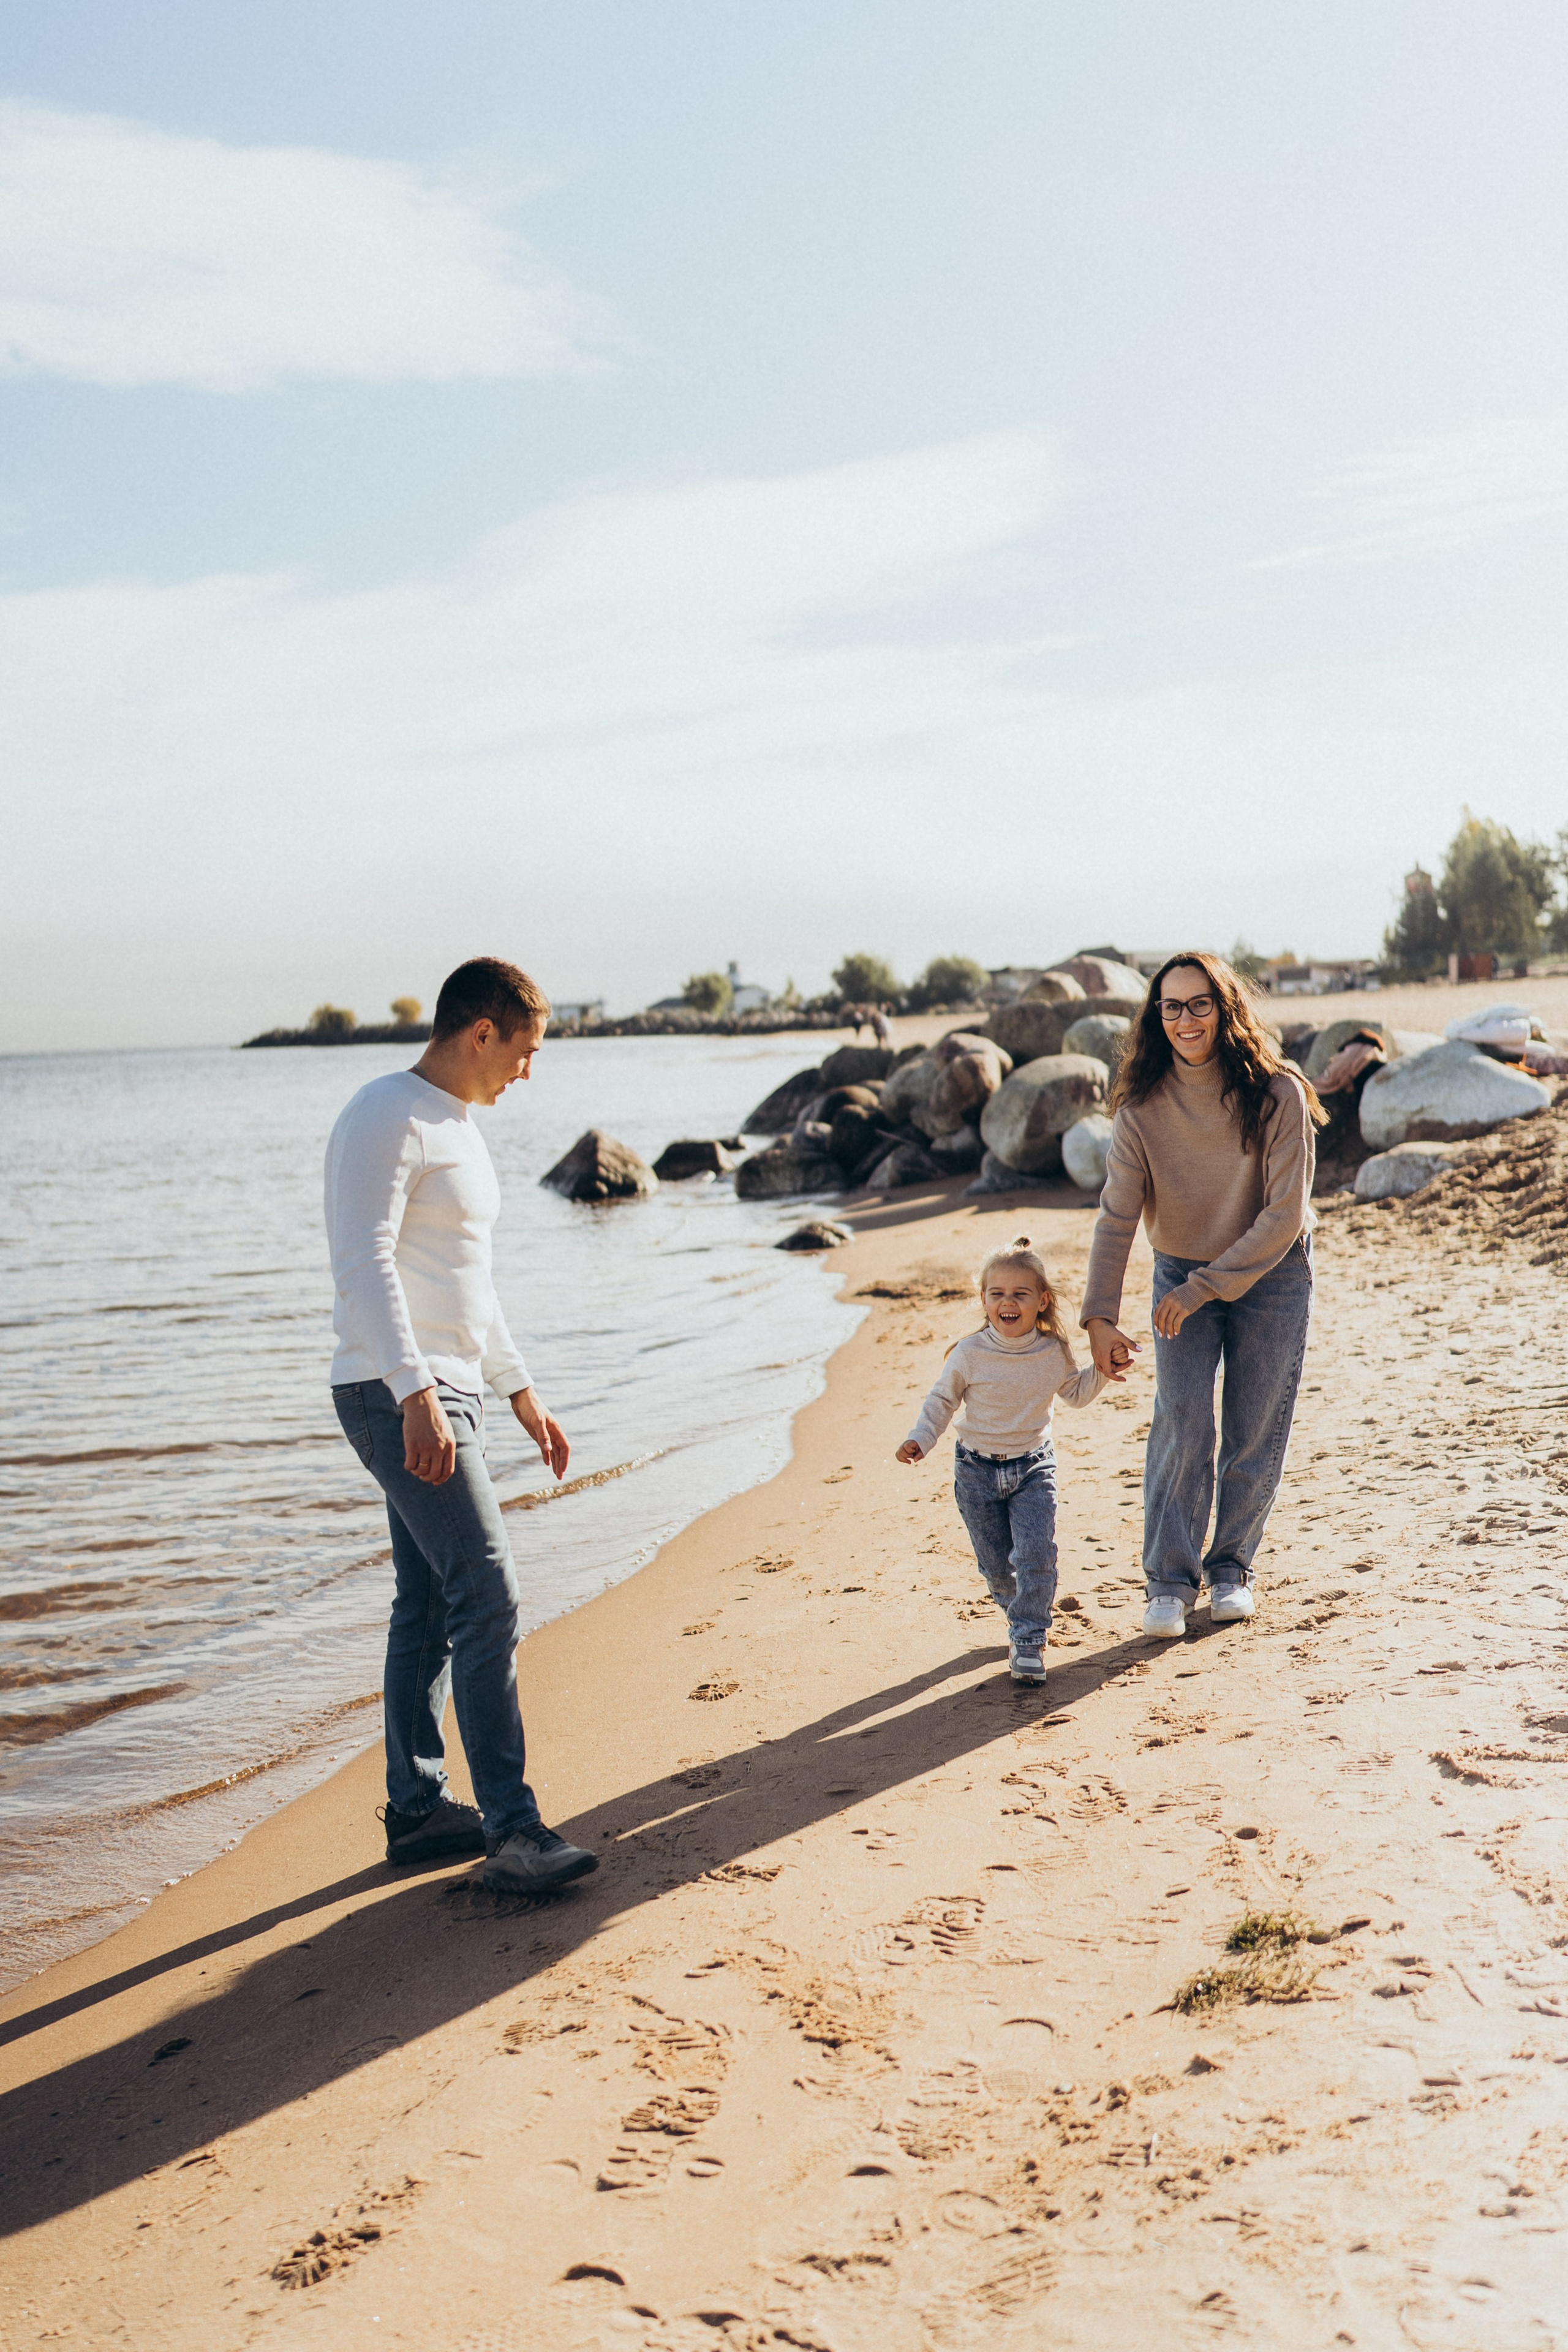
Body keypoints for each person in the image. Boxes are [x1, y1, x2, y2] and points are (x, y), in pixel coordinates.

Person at [324, 956, 598, 1894]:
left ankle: (416, 1812)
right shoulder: (384, 1114)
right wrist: (413, 1392)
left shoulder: (462, 1129)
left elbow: (467, 1282)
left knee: (434, 1603)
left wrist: (519, 1391)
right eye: (523, 1052)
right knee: (488, 1592)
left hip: (448, 1385)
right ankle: (513, 1831)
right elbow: (363, 1264)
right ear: (482, 1032)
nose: (527, 1072)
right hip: (394, 1388)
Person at [1081, 952, 1326, 1640]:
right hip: (1181, 1272)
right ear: (1154, 1018)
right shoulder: (1140, 1111)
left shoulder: (1277, 1093)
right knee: (1183, 1418)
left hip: (1272, 1275)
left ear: (1225, 1009)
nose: (1185, 1019)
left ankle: (1229, 1569)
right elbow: (1116, 1217)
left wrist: (1204, 1287)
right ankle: (1167, 1581)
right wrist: (1100, 1318)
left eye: (1199, 1004)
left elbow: (1283, 1216)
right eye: (1171, 1006)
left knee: (1253, 1428)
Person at [896, 1238, 1110, 1683]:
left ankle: (1029, 1640)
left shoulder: (1053, 1352)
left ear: (1041, 1301)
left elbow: (1075, 1394)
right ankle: (1018, 1612)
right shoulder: (970, 1353)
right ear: (984, 1300)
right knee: (996, 1567)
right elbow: (941, 1400)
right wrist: (921, 1438)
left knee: (1036, 1555)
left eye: (1020, 1294)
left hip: (1034, 1468)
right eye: (997, 1294)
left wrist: (1103, 1369)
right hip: (975, 1471)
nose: (1008, 1302)